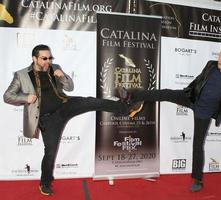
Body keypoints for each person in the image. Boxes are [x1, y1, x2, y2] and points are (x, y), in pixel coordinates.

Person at [118, 44, 221, 192]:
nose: (219, 59)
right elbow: (199, 80)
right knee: (165, 93)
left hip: (204, 112)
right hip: (192, 98)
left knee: (197, 145)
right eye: (219, 56)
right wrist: (187, 91)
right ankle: (131, 95)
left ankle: (197, 180)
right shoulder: (211, 65)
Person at [3, 44, 142, 196]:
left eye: (49, 57)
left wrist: (62, 76)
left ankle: (126, 109)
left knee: (91, 102)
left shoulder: (54, 67)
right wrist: (25, 97)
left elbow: (69, 87)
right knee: (50, 152)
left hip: (65, 104)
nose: (47, 61)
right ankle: (45, 182)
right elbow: (7, 96)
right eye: (44, 58)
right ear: (34, 58)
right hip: (48, 119)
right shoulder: (22, 75)